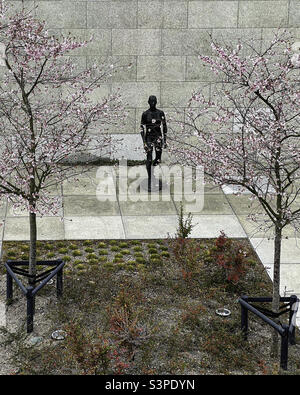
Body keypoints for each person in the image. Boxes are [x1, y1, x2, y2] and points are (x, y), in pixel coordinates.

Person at [140, 95, 167, 191]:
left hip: (158, 137)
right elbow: (142, 129)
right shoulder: (145, 114)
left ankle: (152, 171)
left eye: (154, 101)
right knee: (149, 158)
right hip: (149, 138)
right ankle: (150, 177)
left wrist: (165, 140)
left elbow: (164, 126)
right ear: (148, 102)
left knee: (158, 159)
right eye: (151, 101)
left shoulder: (160, 113)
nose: (152, 103)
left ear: (156, 102)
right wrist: (144, 142)